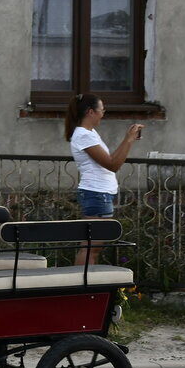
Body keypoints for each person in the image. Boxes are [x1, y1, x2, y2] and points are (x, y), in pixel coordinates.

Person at [65, 93, 143, 265]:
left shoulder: (89, 133)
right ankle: (83, 280)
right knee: (91, 247)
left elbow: (110, 160)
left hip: (100, 193)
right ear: (91, 112)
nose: (103, 114)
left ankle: (85, 279)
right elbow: (112, 164)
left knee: (94, 247)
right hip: (96, 193)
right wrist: (128, 140)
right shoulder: (84, 135)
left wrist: (128, 140)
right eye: (101, 110)